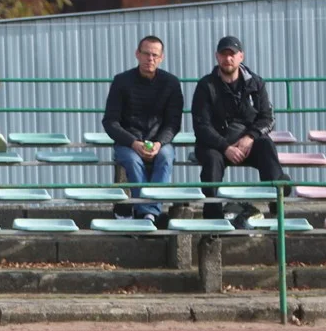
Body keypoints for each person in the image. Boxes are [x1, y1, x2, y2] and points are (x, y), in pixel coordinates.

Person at [192, 36, 290, 224]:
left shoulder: (256, 83)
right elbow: (201, 126)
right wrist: (226, 147)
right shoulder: (206, 85)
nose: (228, 59)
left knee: (266, 144)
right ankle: (213, 219)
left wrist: (249, 138)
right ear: (216, 56)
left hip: (248, 144)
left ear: (241, 57)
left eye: (232, 54)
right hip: (216, 144)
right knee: (212, 160)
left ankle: (278, 197)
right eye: (223, 54)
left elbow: (267, 118)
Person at [102, 36, 183, 225]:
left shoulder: (171, 83)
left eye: (155, 55)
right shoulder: (121, 81)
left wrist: (158, 143)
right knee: (132, 159)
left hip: (159, 141)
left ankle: (145, 213)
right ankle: (150, 213)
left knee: (165, 156)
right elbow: (110, 121)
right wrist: (133, 143)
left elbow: (173, 123)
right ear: (137, 54)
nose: (150, 59)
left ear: (161, 57)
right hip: (128, 142)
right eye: (146, 54)